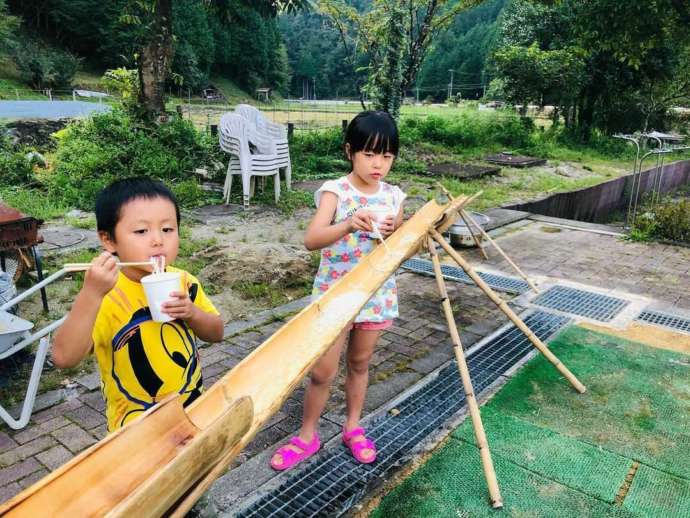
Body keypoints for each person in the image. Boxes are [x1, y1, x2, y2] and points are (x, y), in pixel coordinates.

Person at [271, 111, 406, 471]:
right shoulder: (335, 191)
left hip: (375, 295)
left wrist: (399, 231)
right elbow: (311, 240)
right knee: (323, 371)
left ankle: (352, 427)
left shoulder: (394, 197)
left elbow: (403, 246)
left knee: (360, 364)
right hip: (335, 295)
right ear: (350, 151)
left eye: (387, 156)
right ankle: (307, 435)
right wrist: (347, 224)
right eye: (370, 154)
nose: (378, 164)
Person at [52, 177, 224, 432]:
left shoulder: (184, 282)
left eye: (167, 229)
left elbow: (217, 333)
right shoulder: (106, 295)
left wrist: (192, 313)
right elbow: (64, 357)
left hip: (191, 414)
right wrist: (90, 294)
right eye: (141, 231)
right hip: (134, 430)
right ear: (109, 240)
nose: (158, 240)